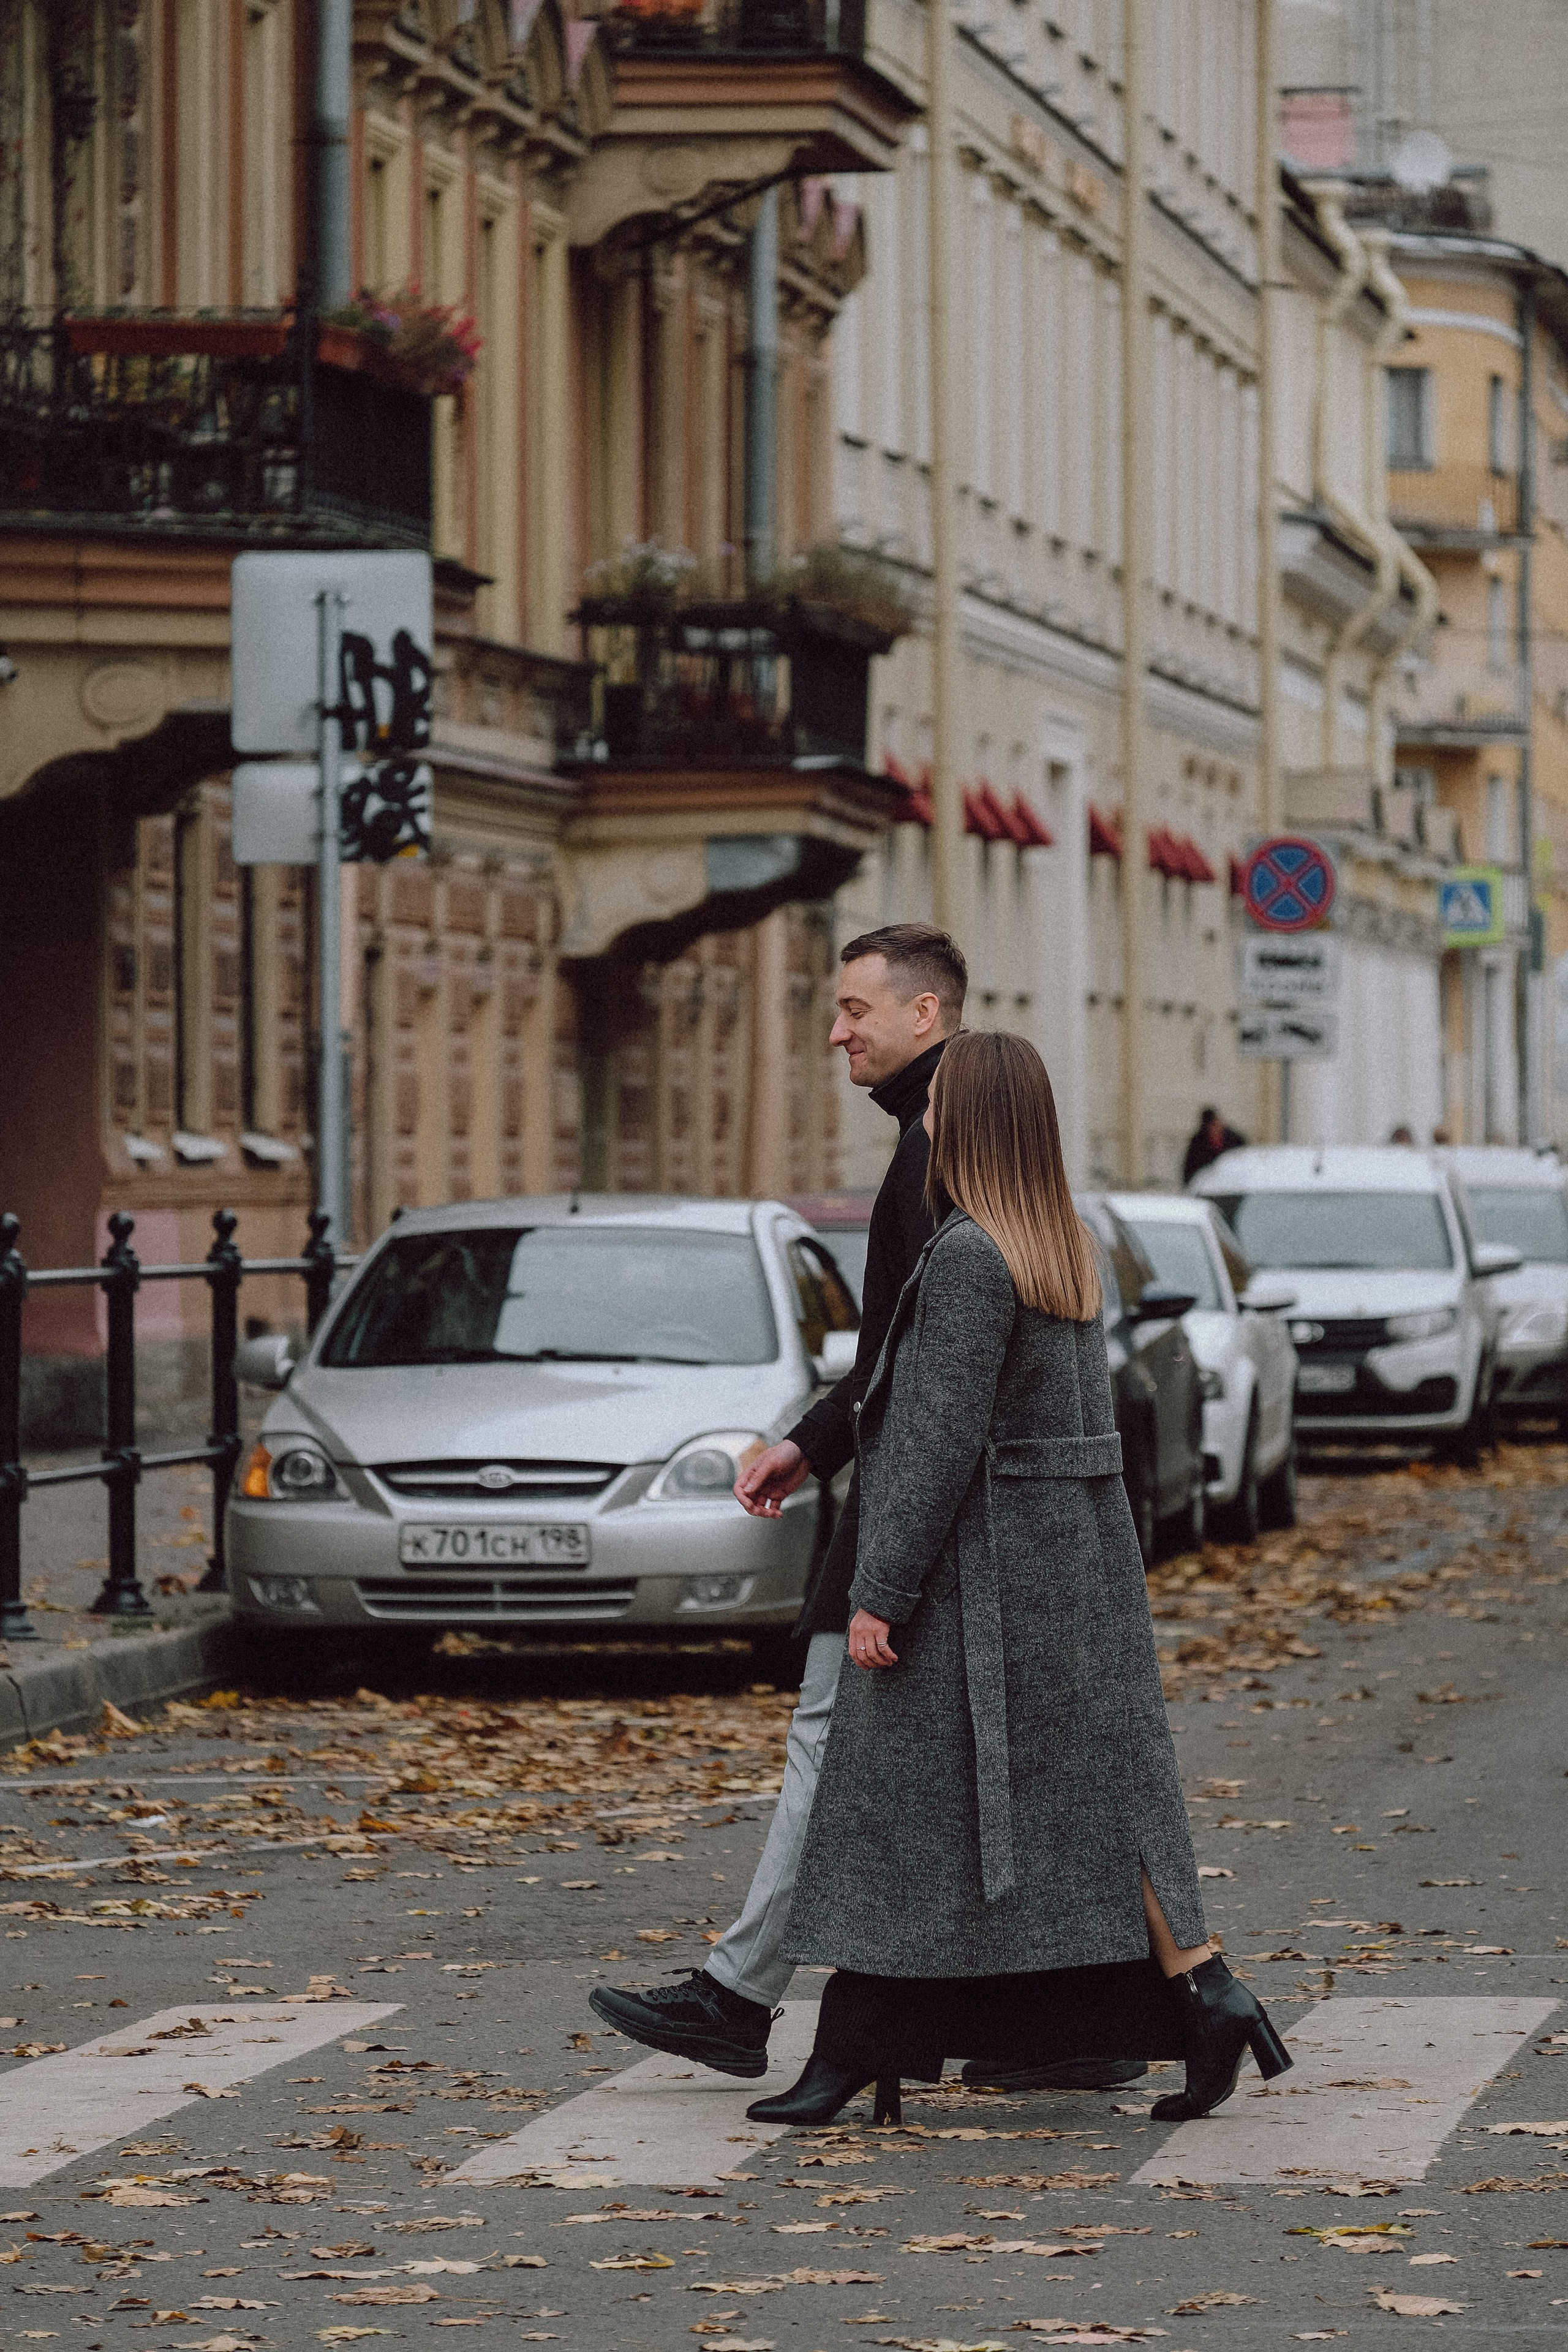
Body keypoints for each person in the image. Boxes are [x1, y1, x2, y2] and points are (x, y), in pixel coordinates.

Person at [747, 1032, 1294, 2128]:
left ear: (980, 1117)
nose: (928, 1118)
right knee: (1085, 1806)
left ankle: (857, 2046)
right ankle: (1207, 1996)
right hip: (1064, 1569)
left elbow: (938, 1442)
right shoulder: (1056, 1240)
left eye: (943, 1101)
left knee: (891, 1813)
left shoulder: (966, 1257)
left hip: (977, 1585)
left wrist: (878, 1592)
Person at [589, 923, 966, 2078]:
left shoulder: (934, 1150)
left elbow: (915, 1366)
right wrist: (806, 1446)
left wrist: (874, 1544)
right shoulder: (949, 1136)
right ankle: (1096, 2017)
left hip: (912, 1508)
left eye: (858, 1010)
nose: (839, 1033)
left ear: (927, 1017)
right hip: (929, 1501)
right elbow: (904, 1356)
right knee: (966, 1767)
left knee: (831, 1744)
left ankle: (737, 1998)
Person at [1182, 1104, 1246, 1185]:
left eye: (1217, 1123)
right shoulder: (1198, 1143)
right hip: (1208, 1184)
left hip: (1233, 1182)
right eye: (1212, 1126)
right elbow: (1190, 1167)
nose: (1216, 1128)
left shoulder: (1234, 1139)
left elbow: (1245, 1158)